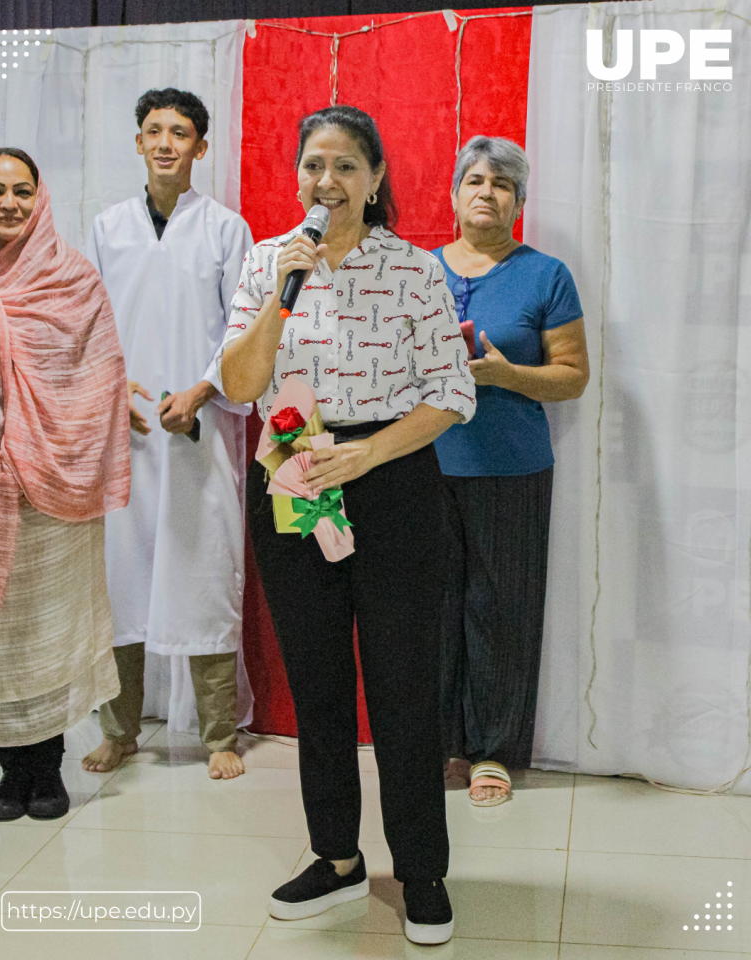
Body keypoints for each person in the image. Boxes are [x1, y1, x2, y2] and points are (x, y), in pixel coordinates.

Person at [219, 105, 476, 946]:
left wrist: (368, 458)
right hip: (292, 473)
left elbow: (452, 392)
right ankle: (334, 858)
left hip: (390, 480)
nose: (325, 183)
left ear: (374, 180)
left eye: (344, 167)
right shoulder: (268, 264)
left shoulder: (412, 269)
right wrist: (278, 305)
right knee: (319, 681)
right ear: (297, 177)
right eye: (312, 166)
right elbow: (241, 381)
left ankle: (421, 869)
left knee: (401, 683)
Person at [81, 88, 253, 781]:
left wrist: (204, 390)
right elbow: (89, 323)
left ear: (200, 148)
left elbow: (244, 331)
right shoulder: (108, 228)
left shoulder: (224, 229)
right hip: (121, 427)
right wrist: (112, 388)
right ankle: (118, 730)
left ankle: (218, 734)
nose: (164, 143)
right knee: (119, 578)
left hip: (199, 429)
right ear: (137, 141)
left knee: (203, 568)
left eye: (179, 132)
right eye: (152, 130)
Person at [433, 136, 589, 807]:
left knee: (500, 610)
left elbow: (573, 377)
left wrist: (505, 376)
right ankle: (440, 742)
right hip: (420, 468)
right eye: (475, 180)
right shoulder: (416, 270)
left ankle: (493, 750)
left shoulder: (546, 275)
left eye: (502, 183)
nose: (486, 192)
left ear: (519, 202)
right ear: (454, 195)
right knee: (429, 611)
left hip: (512, 468)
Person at [0, 148, 130, 822]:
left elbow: (101, 373)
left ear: (39, 197)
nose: (7, 203)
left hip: (55, 480)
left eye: (20, 190)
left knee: (49, 626)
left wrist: (52, 440)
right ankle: (11, 773)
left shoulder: (71, 277)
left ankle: (49, 770)